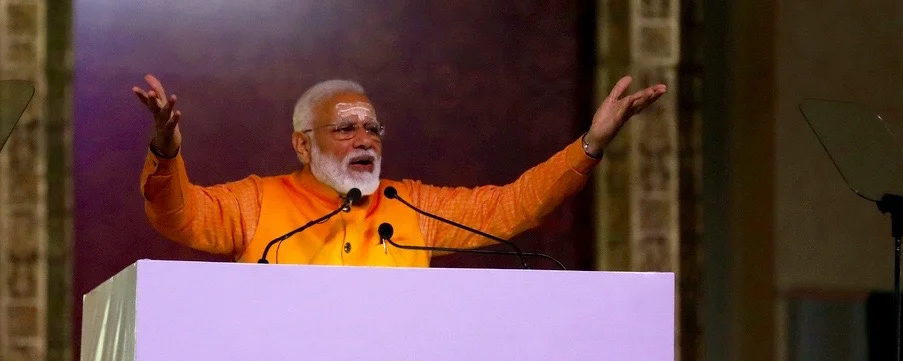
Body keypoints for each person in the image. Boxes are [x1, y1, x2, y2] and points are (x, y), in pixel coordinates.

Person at [132, 74, 666, 266]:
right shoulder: (255, 203)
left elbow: (511, 208)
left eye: (373, 129)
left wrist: (591, 145)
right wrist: (166, 150)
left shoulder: (408, 206)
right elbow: (181, 216)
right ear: (302, 144)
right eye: (345, 129)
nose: (365, 139)